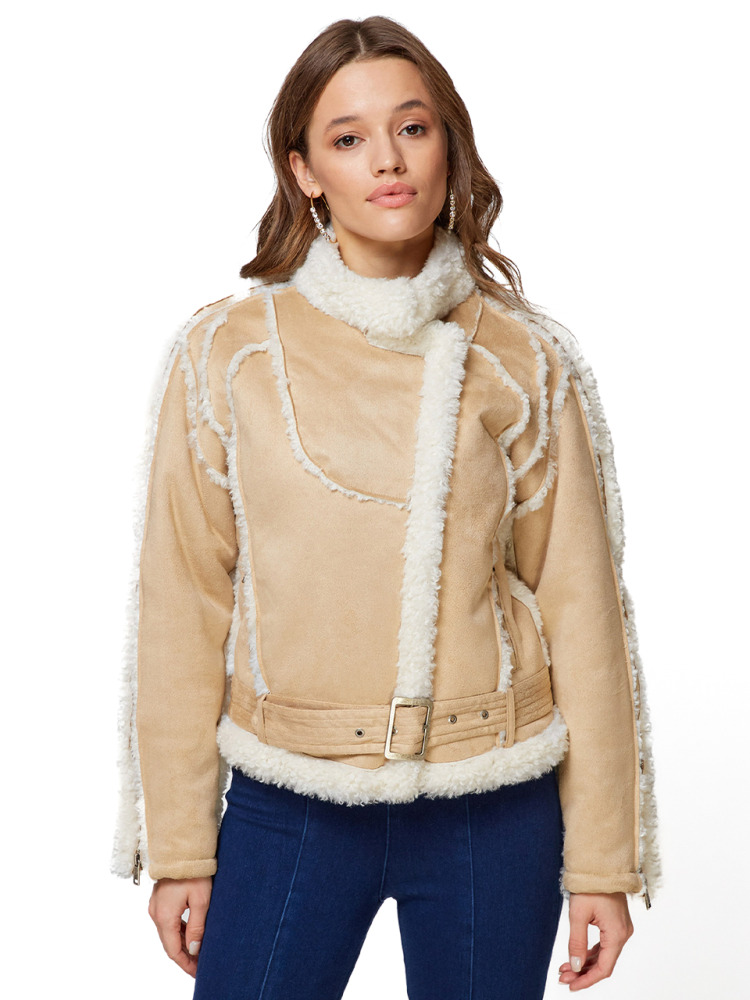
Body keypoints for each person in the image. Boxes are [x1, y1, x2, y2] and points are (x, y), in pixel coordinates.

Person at [111, 15, 660, 999]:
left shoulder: (524, 357)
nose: (388, 160)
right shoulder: (227, 354)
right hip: (293, 798)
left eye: (412, 127)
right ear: (305, 171)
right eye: (348, 137)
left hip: (496, 804)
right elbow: (182, 603)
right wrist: (182, 844)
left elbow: (583, 608)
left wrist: (603, 864)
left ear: (449, 143)